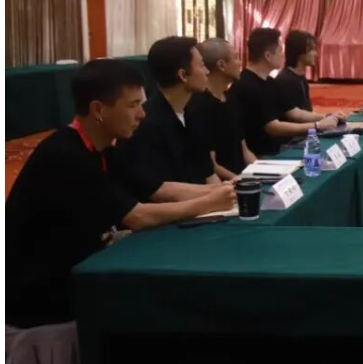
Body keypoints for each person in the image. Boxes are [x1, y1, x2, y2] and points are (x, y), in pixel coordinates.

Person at [6, 60, 235, 328]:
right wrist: (209, 203)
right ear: (98, 109)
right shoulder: (65, 155)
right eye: (133, 105)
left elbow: (158, 189)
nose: (142, 114)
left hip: (78, 273)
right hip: (39, 302)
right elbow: (137, 217)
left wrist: (221, 188)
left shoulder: (105, 148)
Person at [115, 36, 217, 186]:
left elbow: (208, 174)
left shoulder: (194, 114)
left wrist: (226, 194)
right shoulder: (146, 125)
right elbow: (160, 191)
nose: (207, 71)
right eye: (202, 66)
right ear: (183, 75)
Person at [232, 28, 339, 157]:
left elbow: (294, 112)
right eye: (280, 51)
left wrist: (329, 117)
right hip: (262, 155)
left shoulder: (270, 81)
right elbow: (273, 128)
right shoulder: (247, 85)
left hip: (277, 149)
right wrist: (318, 125)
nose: (283, 55)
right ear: (268, 56)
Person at [188, 38, 256, 180]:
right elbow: (211, 165)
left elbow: (244, 150)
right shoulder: (199, 106)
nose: (240, 63)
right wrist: (240, 181)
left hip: (241, 177)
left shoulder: (231, 98)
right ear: (221, 65)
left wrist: (262, 171)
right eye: (236, 58)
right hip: (223, 184)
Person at [275, 29, 316, 113]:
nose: (316, 54)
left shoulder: (299, 77)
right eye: (312, 49)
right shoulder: (286, 80)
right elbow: (295, 116)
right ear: (300, 51)